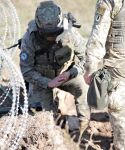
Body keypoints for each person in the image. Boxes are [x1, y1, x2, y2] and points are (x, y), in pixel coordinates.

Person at [84, 0, 125, 149]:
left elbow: (97, 37)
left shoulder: (110, 1)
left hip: (119, 66)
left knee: (121, 114)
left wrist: (90, 68)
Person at [20, 0, 90, 134]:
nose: (51, 37)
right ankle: (55, 130)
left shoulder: (71, 32)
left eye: (55, 32)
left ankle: (83, 130)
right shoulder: (29, 38)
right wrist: (47, 83)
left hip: (66, 74)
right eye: (47, 34)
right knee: (39, 114)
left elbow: (87, 57)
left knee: (83, 88)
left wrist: (73, 72)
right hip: (42, 80)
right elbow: (26, 70)